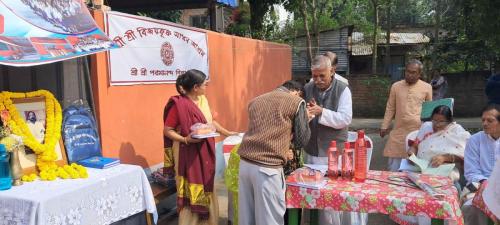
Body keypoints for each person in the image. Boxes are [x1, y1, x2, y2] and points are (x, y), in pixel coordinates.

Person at [163, 69, 237, 225]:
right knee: (190, 187)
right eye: (205, 84)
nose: (207, 87)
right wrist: (185, 139)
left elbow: (210, 123)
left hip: (204, 151)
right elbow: (167, 130)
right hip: (186, 152)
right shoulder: (179, 105)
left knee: (206, 184)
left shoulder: (203, 100)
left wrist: (227, 132)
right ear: (196, 87)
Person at [237, 80, 311, 225]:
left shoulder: (255, 101)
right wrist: (305, 120)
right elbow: (302, 140)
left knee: (247, 219)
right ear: (296, 91)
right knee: (269, 220)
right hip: (267, 169)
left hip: (245, 165)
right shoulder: (296, 102)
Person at [303, 55, 353, 225]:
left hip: (333, 153)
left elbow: (345, 119)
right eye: (314, 76)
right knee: (311, 194)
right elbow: (302, 114)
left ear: (332, 71)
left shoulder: (343, 89)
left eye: (322, 76)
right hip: (312, 150)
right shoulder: (308, 87)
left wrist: (321, 112)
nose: (317, 80)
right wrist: (307, 115)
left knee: (331, 198)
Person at [380, 59, 432, 171]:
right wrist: (384, 125)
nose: (410, 74)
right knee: (393, 168)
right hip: (398, 131)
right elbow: (390, 107)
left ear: (419, 74)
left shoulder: (427, 87)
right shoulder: (396, 86)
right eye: (408, 71)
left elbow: (429, 111)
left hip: (417, 133)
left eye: (413, 72)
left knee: (413, 167)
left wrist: (429, 131)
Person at [407, 105, 471, 181]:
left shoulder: (456, 130)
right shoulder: (426, 126)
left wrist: (444, 158)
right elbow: (415, 146)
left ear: (449, 121)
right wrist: (411, 154)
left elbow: (465, 154)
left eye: (441, 121)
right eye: (434, 121)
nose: (437, 124)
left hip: (445, 168)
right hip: (422, 166)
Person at [462, 104, 500, 225]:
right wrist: (485, 183)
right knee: (471, 207)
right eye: (483, 120)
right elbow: (471, 172)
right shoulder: (474, 140)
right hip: (479, 186)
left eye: (490, 120)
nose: (484, 123)